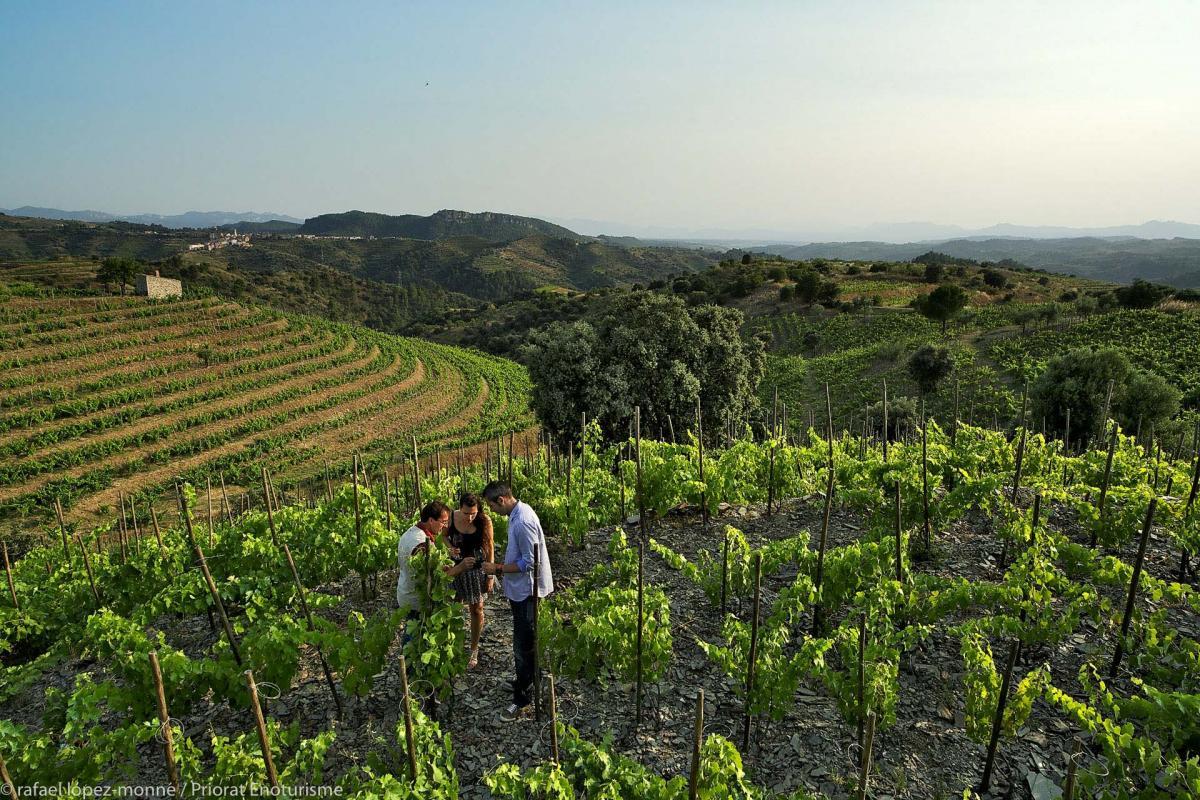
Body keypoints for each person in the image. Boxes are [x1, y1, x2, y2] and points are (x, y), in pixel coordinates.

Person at [481, 480, 553, 721]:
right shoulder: (518, 512)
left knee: (524, 644)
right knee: (523, 640)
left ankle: (523, 697)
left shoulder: (522, 521)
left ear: (501, 500)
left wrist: (498, 568)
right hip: (520, 591)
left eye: (492, 506)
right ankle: (526, 680)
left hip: (527, 592)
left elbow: (530, 562)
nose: (492, 512)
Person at [396, 501, 475, 641]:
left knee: (413, 632)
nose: (445, 526)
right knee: (415, 637)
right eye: (443, 522)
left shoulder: (412, 532)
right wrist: (461, 567)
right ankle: (411, 663)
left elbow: (426, 567)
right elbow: (435, 577)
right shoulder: (422, 543)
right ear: (431, 520)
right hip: (417, 599)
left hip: (406, 591)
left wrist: (444, 558)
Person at [441, 492, 494, 669]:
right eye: (466, 513)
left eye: (473, 513)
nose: (470, 517)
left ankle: (474, 649)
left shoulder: (484, 520)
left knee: (477, 609)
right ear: (459, 509)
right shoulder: (452, 518)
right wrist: (450, 549)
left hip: (476, 569)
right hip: (456, 568)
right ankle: (450, 645)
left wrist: (490, 574)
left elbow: (490, 546)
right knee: (451, 607)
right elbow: (444, 537)